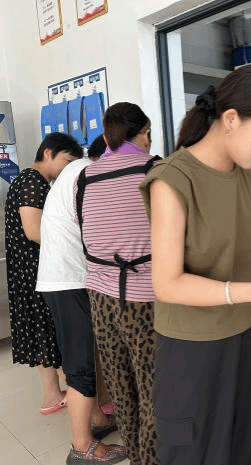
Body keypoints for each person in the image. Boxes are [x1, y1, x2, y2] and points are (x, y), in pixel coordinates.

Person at [139, 64, 251, 465]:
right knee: (195, 451)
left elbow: (239, 243)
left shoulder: (243, 174)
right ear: (231, 119)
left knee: (244, 444)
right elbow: (167, 284)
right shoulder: (172, 179)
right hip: (193, 345)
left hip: (242, 333)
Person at [76, 103, 158, 465]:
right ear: (138, 133)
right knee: (153, 387)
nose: (149, 140)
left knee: (120, 384)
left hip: (99, 296)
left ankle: (137, 458)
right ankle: (154, 459)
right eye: (147, 133)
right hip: (145, 296)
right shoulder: (153, 168)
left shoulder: (86, 176)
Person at [37, 133, 126, 464]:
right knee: (81, 365)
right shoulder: (87, 172)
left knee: (84, 358)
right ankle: (82, 447)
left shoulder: (75, 173)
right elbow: (101, 231)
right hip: (69, 280)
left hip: (61, 279)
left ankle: (97, 420)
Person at [4, 132, 81, 415]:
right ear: (48, 152)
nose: (68, 169)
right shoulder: (32, 181)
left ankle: (51, 395)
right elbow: (34, 231)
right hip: (35, 270)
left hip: (25, 270)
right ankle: (67, 393)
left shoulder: (28, 179)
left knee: (41, 331)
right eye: (67, 161)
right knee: (48, 329)